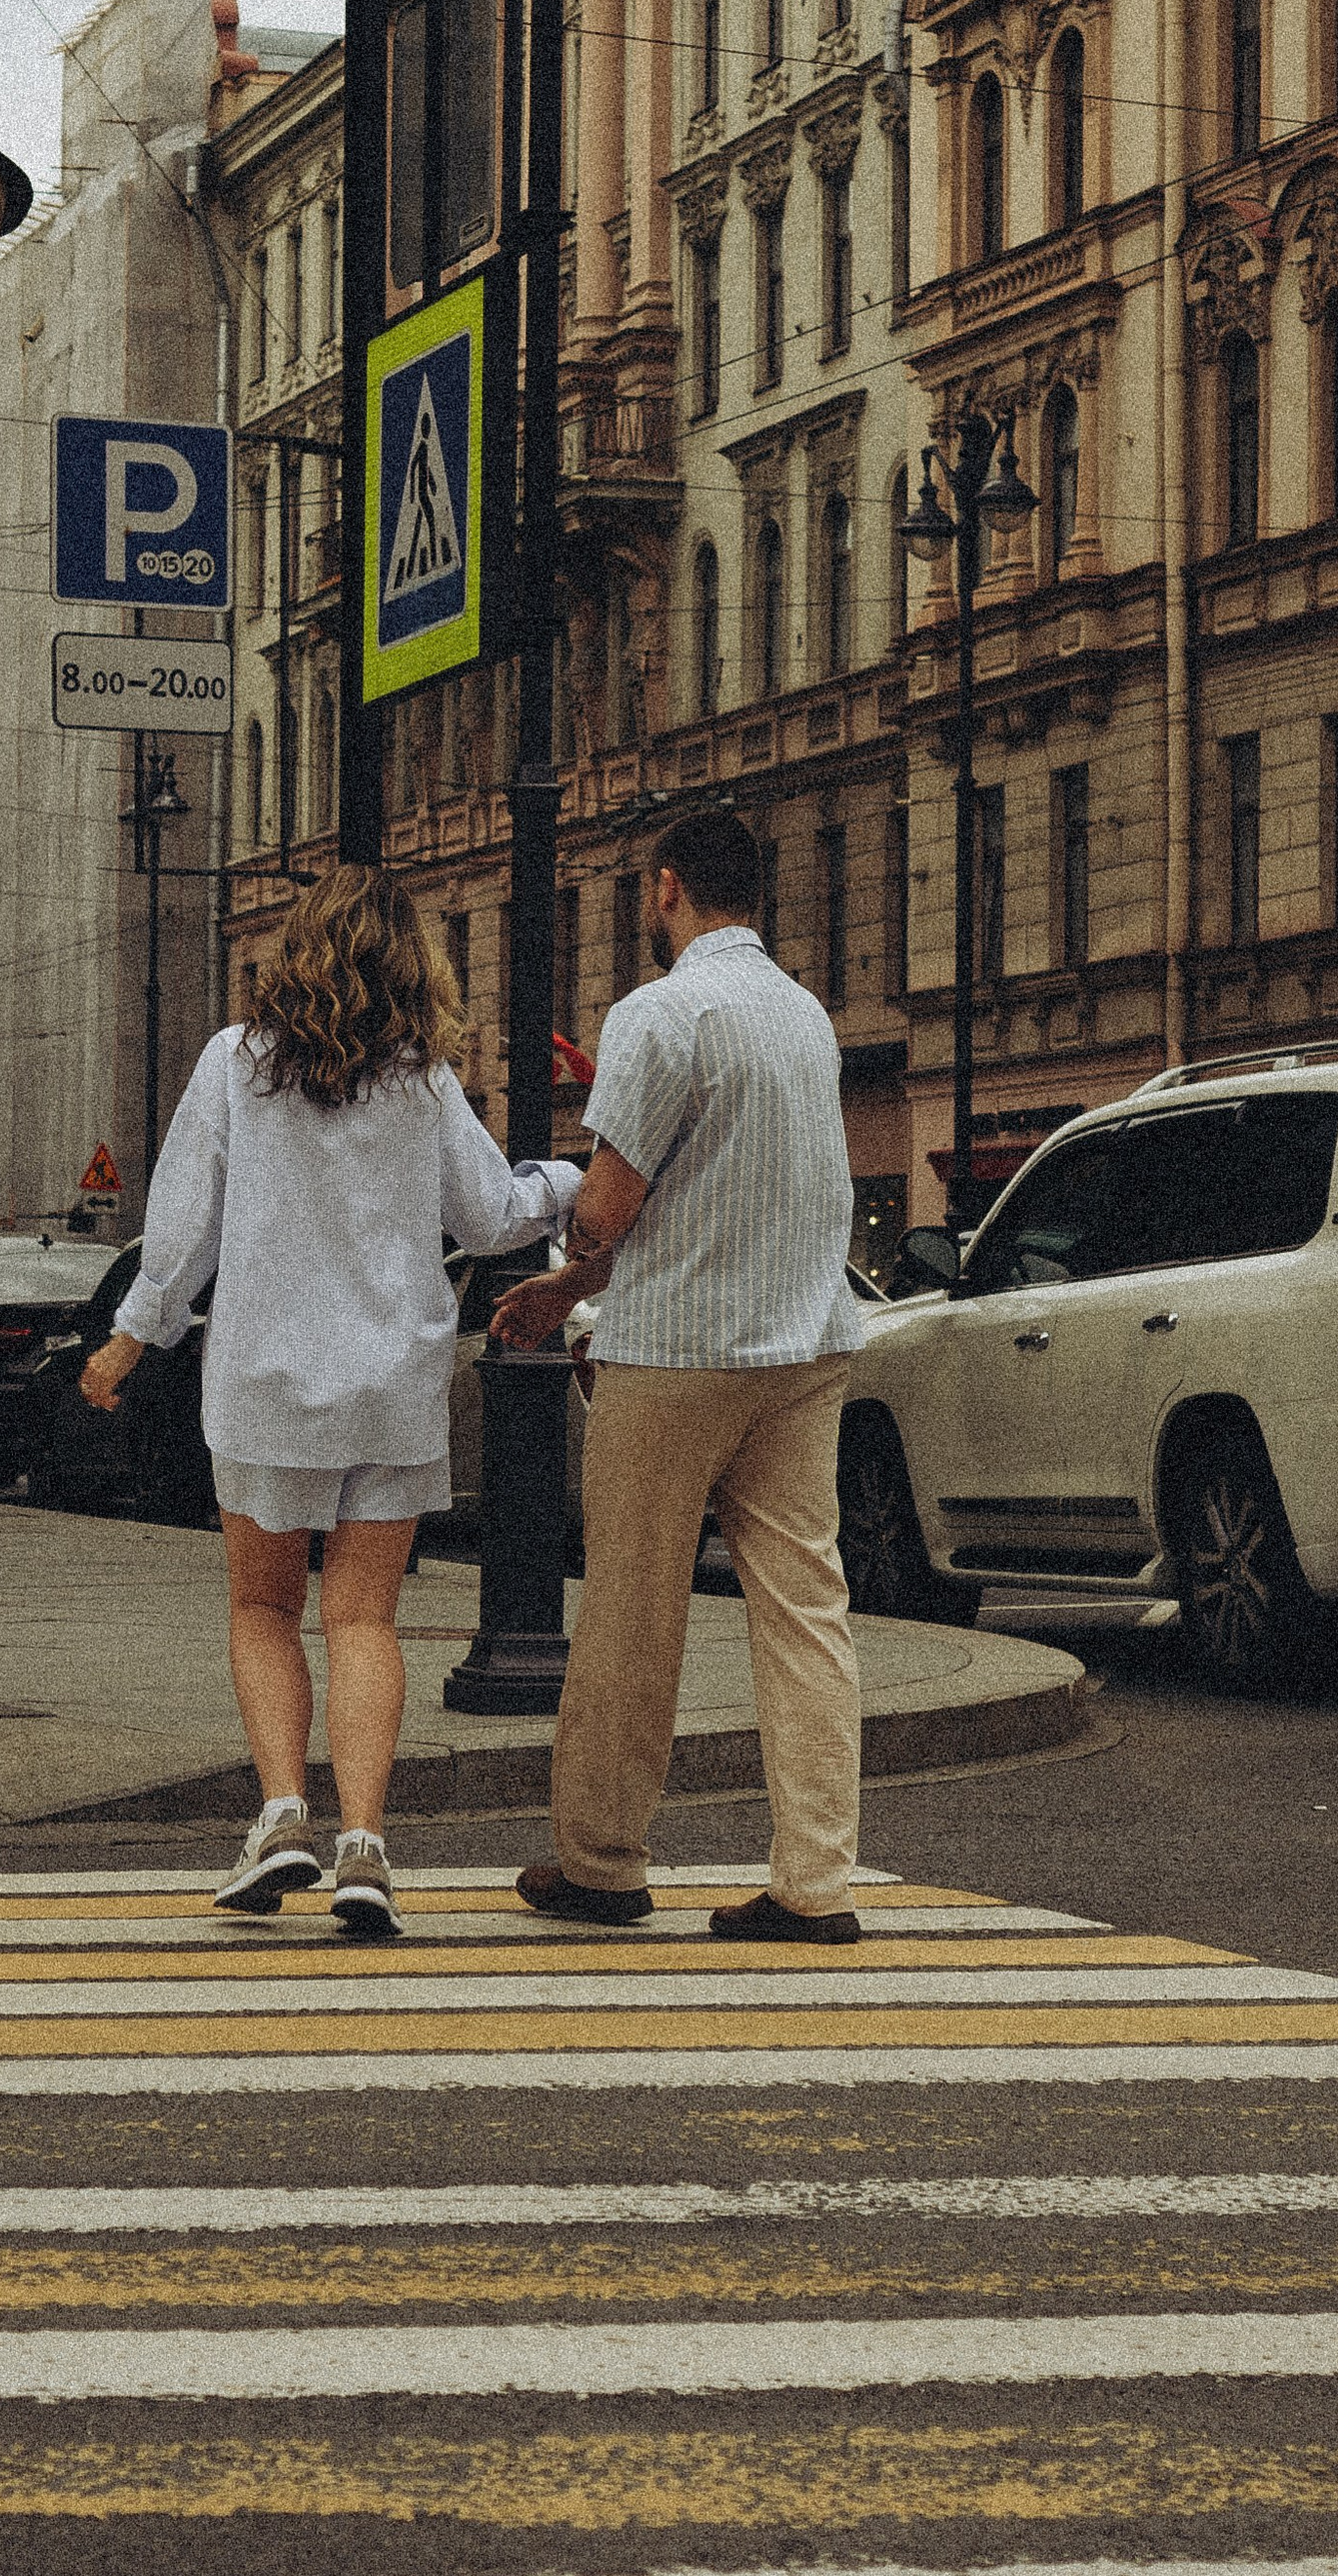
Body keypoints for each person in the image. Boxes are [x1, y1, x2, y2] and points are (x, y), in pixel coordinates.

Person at [81, 865, 579, 1937]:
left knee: (265, 1608)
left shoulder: (233, 1064)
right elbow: (494, 1216)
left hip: (266, 1378)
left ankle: (281, 1816)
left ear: (296, 953)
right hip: (392, 1381)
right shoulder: (423, 1080)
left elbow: (184, 1223)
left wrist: (133, 1337)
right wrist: (581, 1180)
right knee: (364, 1617)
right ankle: (365, 1845)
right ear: (412, 964)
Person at [491, 803, 869, 1945]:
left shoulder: (661, 1013)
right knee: (807, 1609)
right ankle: (815, 1884)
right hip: (806, 1346)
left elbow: (605, 1207)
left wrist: (561, 1288)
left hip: (678, 1350)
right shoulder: (805, 1016)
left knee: (631, 1609)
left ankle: (602, 1863)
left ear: (665, 890)